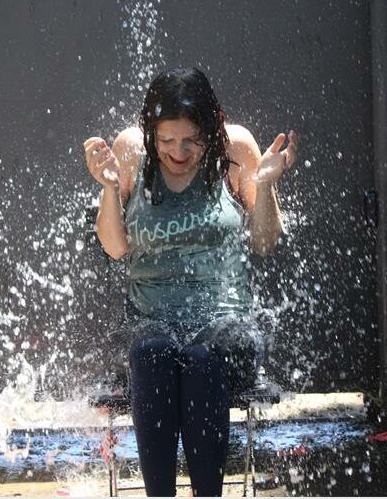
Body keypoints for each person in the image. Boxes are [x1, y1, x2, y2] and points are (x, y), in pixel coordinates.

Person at [82, 67, 297, 497]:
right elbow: (115, 248)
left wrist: (266, 184)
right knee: (152, 351)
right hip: (151, 316)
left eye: (191, 140)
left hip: (226, 320)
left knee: (201, 357)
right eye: (166, 141)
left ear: (213, 127)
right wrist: (108, 188)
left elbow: (263, 243)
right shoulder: (129, 152)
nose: (178, 152)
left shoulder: (237, 149)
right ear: (150, 133)